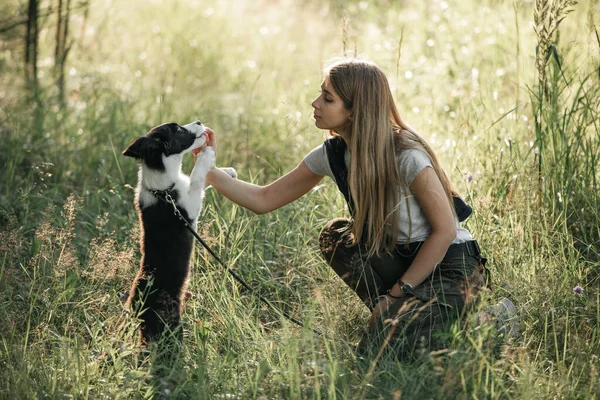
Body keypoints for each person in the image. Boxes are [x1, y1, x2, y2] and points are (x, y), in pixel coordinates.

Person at [198, 57, 504, 360]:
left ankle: (490, 321)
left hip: (450, 268)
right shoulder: (332, 155)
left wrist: (395, 294)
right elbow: (264, 200)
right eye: (321, 93)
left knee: (382, 350)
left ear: (354, 111)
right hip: (400, 260)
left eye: (328, 98)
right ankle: (401, 318)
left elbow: (445, 231)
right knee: (336, 237)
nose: (315, 103)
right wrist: (208, 171)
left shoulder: (407, 155)